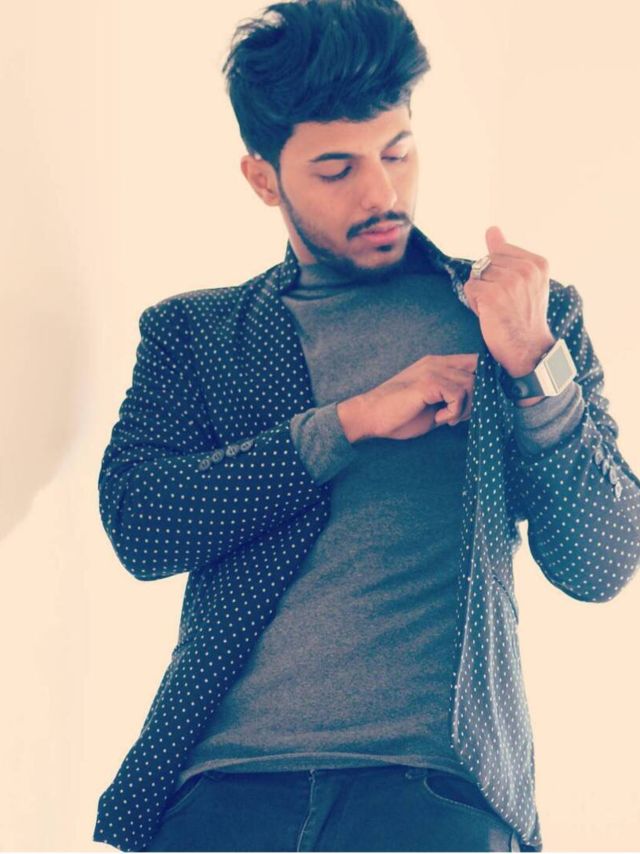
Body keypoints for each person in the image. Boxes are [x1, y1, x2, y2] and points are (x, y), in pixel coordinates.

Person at [92, 1, 640, 851]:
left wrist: (535, 360)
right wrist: (347, 424)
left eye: (397, 152)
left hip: (432, 797)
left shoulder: (517, 318)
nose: (381, 193)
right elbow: (142, 526)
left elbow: (601, 562)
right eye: (336, 168)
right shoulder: (196, 334)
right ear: (264, 179)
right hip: (218, 796)